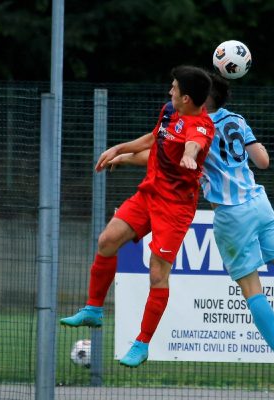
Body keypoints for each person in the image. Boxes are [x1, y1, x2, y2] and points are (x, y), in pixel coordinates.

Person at [106, 73, 274, 392]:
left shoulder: (197, 127)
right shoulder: (236, 119)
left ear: (201, 99)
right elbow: (263, 161)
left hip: (231, 214)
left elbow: (160, 157)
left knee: (252, 288)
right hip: (259, 201)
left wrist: (124, 157)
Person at [60, 65, 215, 368]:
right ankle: (93, 309)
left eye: (173, 87)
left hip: (175, 208)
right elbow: (153, 137)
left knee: (157, 273)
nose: (169, 91)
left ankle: (142, 343)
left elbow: (194, 142)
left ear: (186, 97)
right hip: (149, 194)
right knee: (107, 240)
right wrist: (120, 148)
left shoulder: (202, 126)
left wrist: (189, 154)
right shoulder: (170, 110)